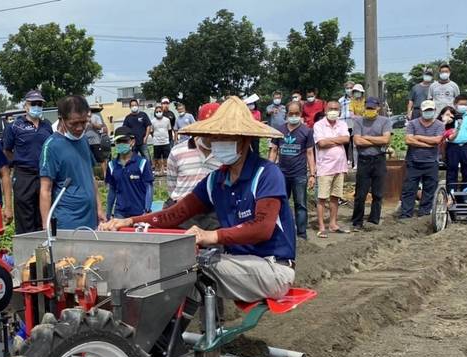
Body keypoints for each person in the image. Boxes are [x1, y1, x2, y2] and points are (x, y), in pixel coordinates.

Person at [100, 97, 295, 303]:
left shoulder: (266, 174)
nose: (216, 143)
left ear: (244, 141)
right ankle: (172, 332)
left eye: (224, 139)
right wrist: (130, 221)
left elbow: (262, 228)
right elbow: (175, 214)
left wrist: (211, 235)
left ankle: (173, 331)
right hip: (237, 262)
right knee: (179, 269)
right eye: (214, 138)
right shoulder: (216, 180)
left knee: (189, 266)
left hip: (272, 268)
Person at [39, 95, 105, 229]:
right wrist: (47, 225)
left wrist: (99, 208)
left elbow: (91, 177)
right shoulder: (51, 146)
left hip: (90, 217)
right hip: (68, 219)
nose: (80, 128)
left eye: (83, 122)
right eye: (74, 124)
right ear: (61, 119)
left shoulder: (83, 140)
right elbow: (45, 189)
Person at [2, 89, 53, 233]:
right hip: (24, 176)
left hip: (43, 175)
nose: (36, 107)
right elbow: (7, 150)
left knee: (43, 214)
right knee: (25, 215)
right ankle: (26, 249)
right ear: (26, 105)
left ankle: (44, 250)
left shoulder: (47, 126)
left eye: (39, 104)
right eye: (33, 103)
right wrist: (19, 162)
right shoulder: (15, 126)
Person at [269, 100, 315, 240]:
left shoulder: (307, 131)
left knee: (300, 204)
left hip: (299, 174)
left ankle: (301, 234)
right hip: (282, 174)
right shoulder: (279, 131)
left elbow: (309, 153)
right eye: (291, 113)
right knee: (281, 203)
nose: (293, 115)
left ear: (300, 114)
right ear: (286, 114)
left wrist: (312, 174)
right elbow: (274, 150)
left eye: (296, 113)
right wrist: (269, 170)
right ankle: (282, 232)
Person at [351, 97, 393, 230]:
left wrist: (366, 137)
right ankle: (357, 221)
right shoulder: (358, 121)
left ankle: (374, 219)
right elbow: (357, 141)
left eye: (372, 108)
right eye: (368, 108)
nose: (369, 110)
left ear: (378, 108)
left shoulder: (385, 121)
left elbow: (386, 139)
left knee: (378, 193)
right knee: (360, 194)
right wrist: (378, 140)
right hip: (363, 160)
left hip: (379, 159)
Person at [399, 100, 445, 218]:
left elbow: (437, 141)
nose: (428, 112)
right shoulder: (413, 123)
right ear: (421, 111)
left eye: (430, 110)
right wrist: (428, 144)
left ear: (434, 111)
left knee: (429, 189)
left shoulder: (439, 125)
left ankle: (424, 212)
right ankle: (406, 214)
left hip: (431, 162)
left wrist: (418, 137)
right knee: (409, 189)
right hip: (413, 161)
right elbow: (408, 140)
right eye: (426, 111)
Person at [313, 100, 350, 237]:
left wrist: (330, 140)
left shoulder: (343, 124)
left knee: (335, 197)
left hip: (340, 167)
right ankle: (322, 226)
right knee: (322, 198)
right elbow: (321, 143)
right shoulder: (319, 125)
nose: (333, 111)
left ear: (340, 110)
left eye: (336, 108)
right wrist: (337, 139)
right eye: (331, 108)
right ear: (325, 109)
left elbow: (346, 139)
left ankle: (333, 224)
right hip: (325, 167)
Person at [105, 127, 154, 218]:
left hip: (139, 213)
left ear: (132, 142)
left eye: (125, 141)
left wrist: (147, 210)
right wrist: (108, 213)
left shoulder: (142, 163)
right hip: (119, 213)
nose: (121, 144)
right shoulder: (112, 165)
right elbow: (112, 190)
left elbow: (149, 188)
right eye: (118, 141)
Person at [445, 94, 467, 186]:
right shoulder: (450, 116)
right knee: (452, 171)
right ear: (455, 104)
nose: (463, 106)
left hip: (466, 146)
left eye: (465, 104)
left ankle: (465, 195)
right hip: (452, 147)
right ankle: (450, 195)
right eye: (461, 104)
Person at [150, 105, 172, 175]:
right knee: (157, 157)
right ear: (155, 112)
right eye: (157, 111)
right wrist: (155, 137)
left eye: (160, 111)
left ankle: (166, 170)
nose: (158, 112)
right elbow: (151, 131)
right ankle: (158, 170)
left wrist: (168, 138)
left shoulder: (167, 120)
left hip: (166, 141)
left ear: (162, 112)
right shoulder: (152, 121)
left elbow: (169, 130)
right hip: (156, 142)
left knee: (166, 157)